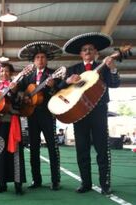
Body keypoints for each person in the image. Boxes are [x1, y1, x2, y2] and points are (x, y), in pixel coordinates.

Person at [61, 32, 120, 195]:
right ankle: (85, 183)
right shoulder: (73, 69)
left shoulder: (104, 67)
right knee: (82, 150)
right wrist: (67, 81)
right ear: (81, 54)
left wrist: (113, 69)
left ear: (96, 53)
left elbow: (115, 84)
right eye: (84, 49)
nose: (87, 52)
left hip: (99, 112)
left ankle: (105, 184)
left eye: (90, 49)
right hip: (79, 113)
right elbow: (60, 88)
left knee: (102, 149)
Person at [17, 41, 63, 190]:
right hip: (31, 115)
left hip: (48, 114)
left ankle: (55, 180)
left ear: (46, 59)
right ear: (34, 60)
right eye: (37, 57)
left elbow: (59, 93)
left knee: (52, 147)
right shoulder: (28, 76)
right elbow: (20, 91)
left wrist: (52, 87)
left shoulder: (53, 75)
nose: (40, 59)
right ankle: (36, 180)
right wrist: (24, 97)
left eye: (43, 57)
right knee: (34, 148)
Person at [0, 62, 26, 195]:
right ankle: (1, 183)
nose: (4, 73)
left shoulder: (17, 87)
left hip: (11, 123)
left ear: (12, 73)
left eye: (7, 71)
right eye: (2, 71)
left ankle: (18, 184)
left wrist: (13, 93)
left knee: (15, 153)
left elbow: (20, 105)